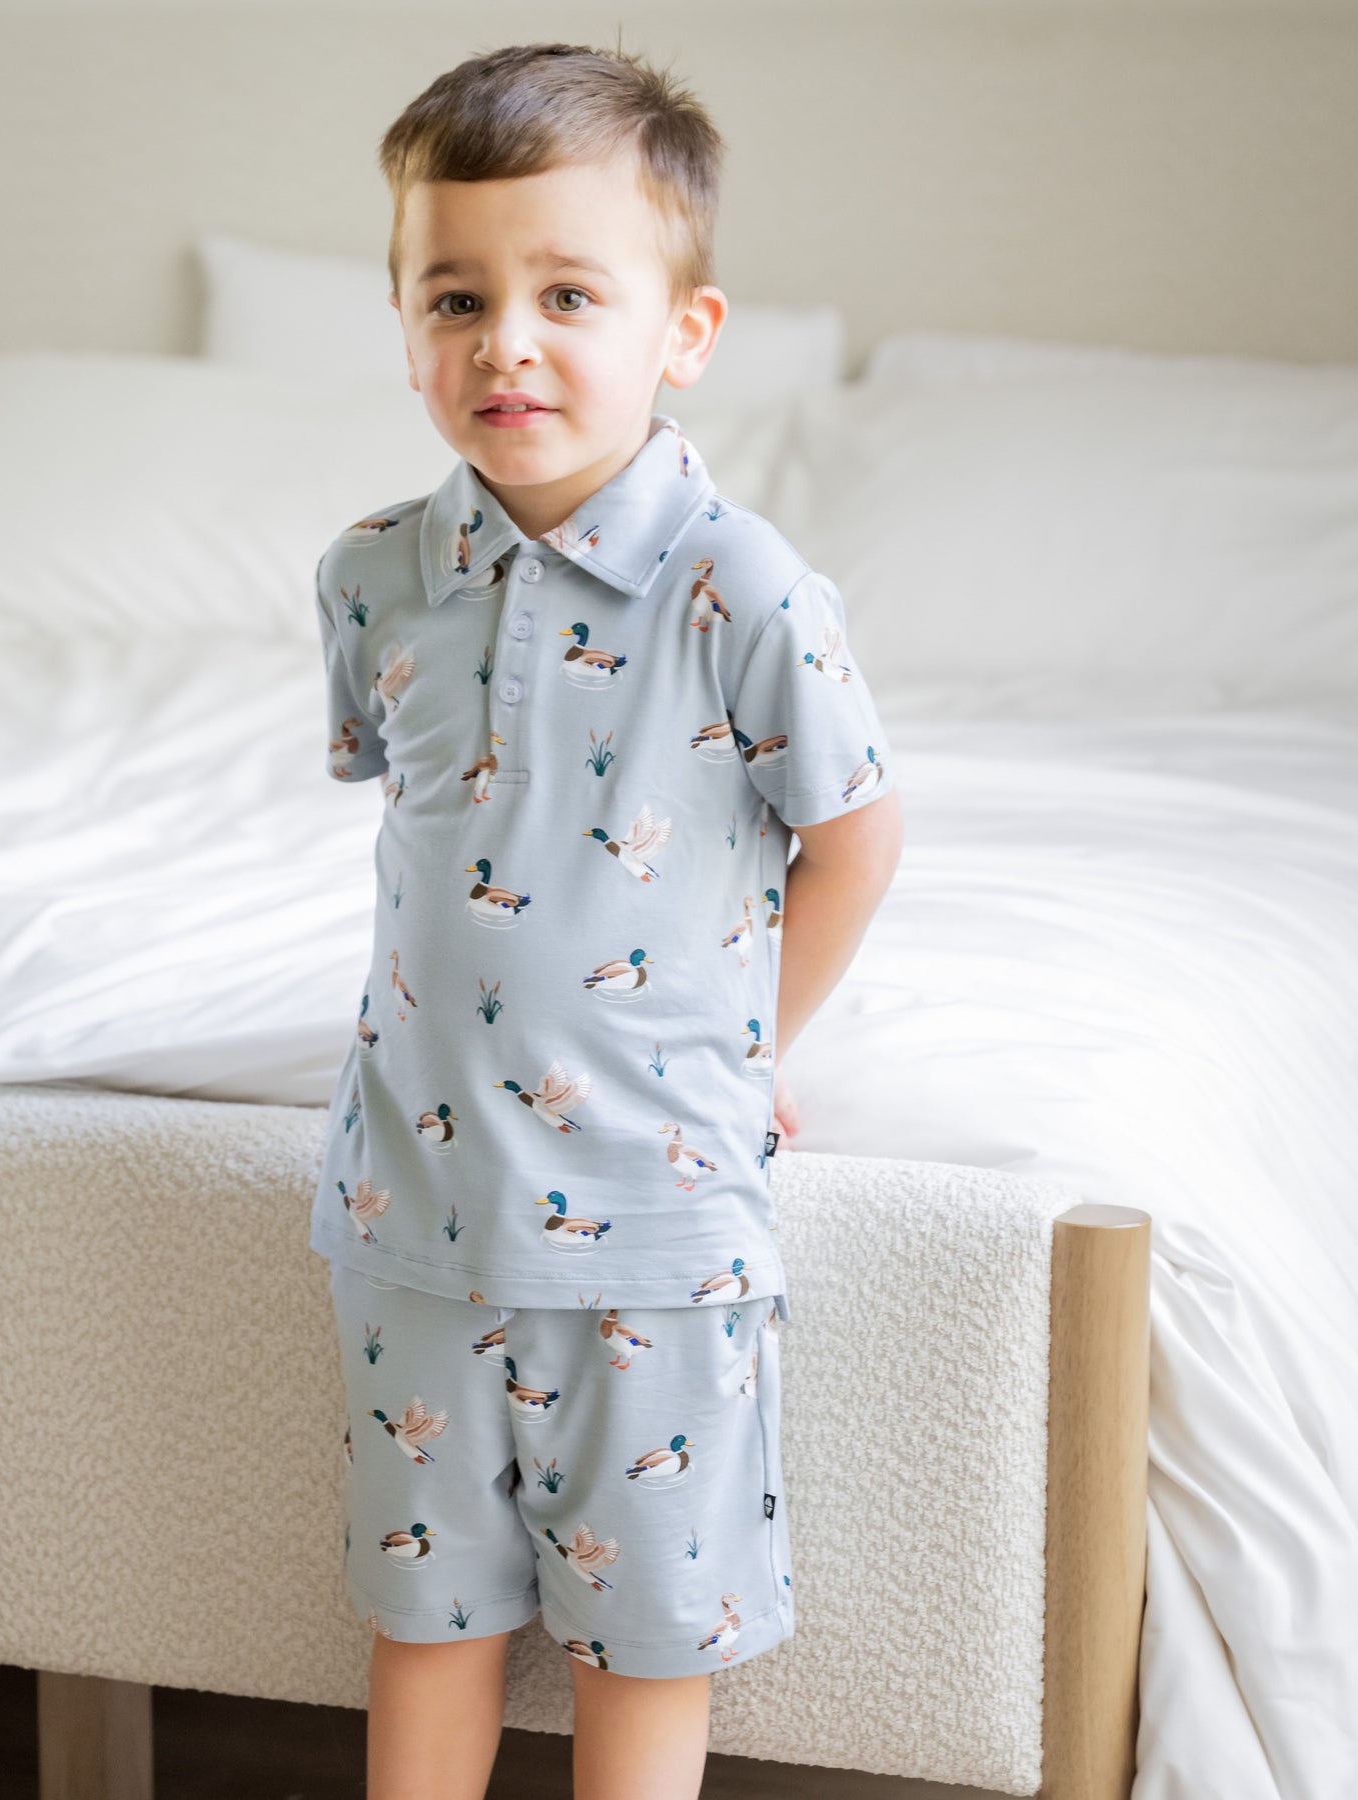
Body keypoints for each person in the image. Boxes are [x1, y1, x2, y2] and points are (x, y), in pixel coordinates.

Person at [309, 40, 904, 1800]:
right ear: (409, 320)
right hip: (409, 1210)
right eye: (457, 295)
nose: (509, 342)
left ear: (684, 332)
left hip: (656, 1214)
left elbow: (856, 842)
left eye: (571, 293)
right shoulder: (372, 575)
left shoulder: (746, 588)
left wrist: (753, 1046)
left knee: (645, 1631)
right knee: (427, 1616)